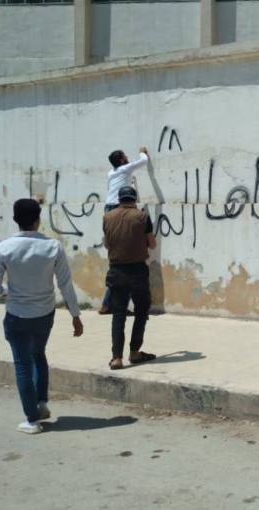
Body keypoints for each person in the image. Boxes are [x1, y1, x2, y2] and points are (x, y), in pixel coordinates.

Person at [0, 199, 84, 434]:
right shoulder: (53, 246)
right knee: (39, 355)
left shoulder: (4, 247)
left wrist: (6, 293)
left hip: (17, 314)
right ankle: (42, 402)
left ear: (15, 220)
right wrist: (76, 315)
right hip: (45, 314)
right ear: (38, 219)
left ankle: (32, 420)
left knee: (23, 365)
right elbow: (65, 283)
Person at [103, 186, 156, 370]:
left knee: (118, 314)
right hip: (138, 270)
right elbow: (152, 243)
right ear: (134, 198)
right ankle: (134, 352)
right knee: (141, 311)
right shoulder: (142, 217)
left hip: (116, 270)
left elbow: (106, 243)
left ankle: (116, 357)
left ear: (119, 199)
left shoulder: (107, 216)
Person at [99, 147, 150, 314]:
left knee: (118, 258)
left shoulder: (111, 173)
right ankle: (113, 304)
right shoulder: (125, 168)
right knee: (126, 257)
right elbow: (144, 161)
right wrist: (143, 151)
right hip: (119, 206)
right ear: (121, 160)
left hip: (109, 208)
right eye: (125, 156)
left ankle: (109, 304)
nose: (128, 158)